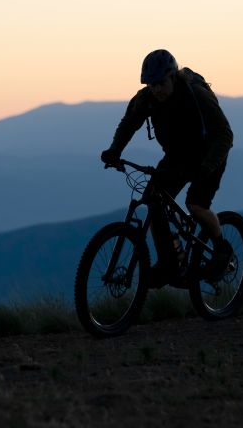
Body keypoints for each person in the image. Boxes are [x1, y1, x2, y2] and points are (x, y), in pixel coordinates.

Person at [100, 49, 234, 285]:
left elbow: (224, 135)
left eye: (161, 83)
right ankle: (169, 263)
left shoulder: (196, 95)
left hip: (209, 155)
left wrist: (206, 168)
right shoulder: (146, 99)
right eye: (152, 85)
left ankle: (222, 248)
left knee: (196, 204)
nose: (157, 89)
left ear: (173, 77)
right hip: (177, 156)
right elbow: (129, 124)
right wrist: (114, 151)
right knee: (154, 201)